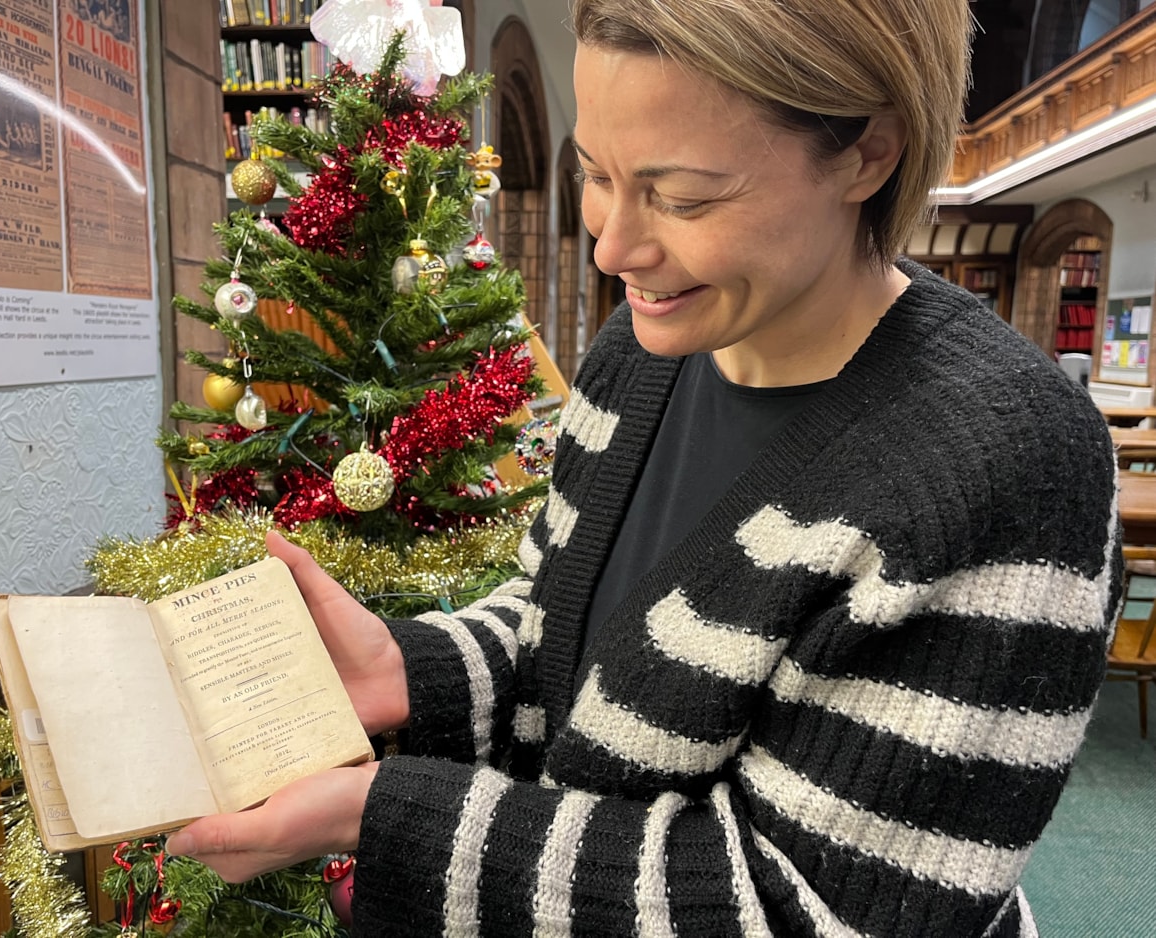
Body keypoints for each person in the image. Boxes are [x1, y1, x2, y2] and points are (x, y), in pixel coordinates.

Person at [166, 0, 1122, 934]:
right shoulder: (641, 353)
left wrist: (380, 817)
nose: (614, 245)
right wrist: (409, 669)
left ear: (868, 151)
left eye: (684, 196)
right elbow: (562, 634)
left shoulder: (1006, 466)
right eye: (596, 174)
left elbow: (809, 907)